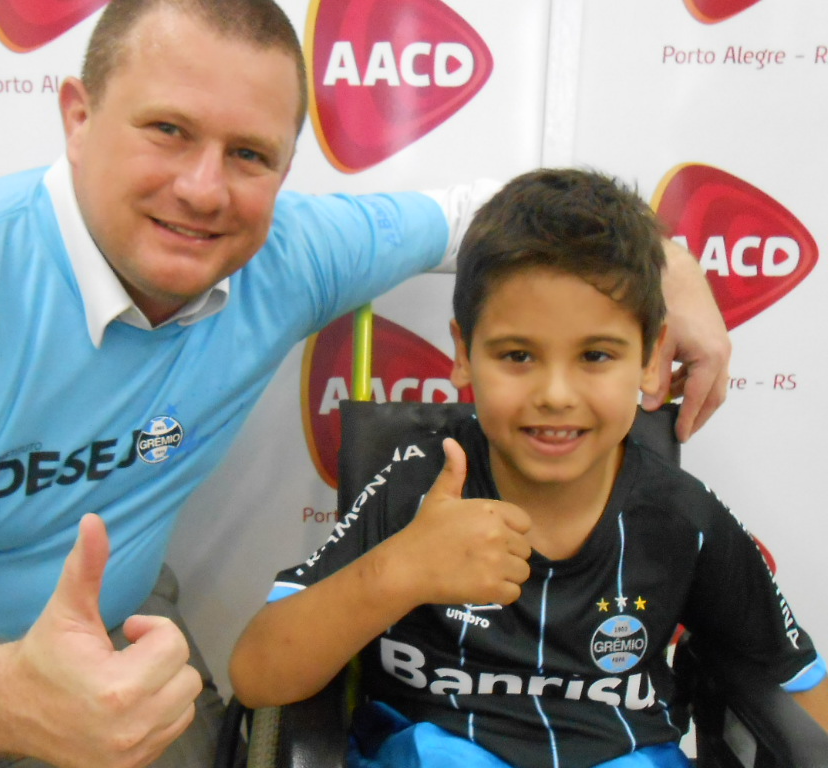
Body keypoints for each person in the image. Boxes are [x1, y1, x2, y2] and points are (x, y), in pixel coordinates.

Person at [0, 0, 730, 762]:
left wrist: (665, 262)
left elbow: (481, 219)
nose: (205, 190)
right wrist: (9, 694)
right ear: (77, 118)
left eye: (249, 155)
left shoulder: (280, 254)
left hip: (127, 659)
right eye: (168, 131)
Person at [229, 168, 828, 768]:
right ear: (464, 355)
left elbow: (798, 681)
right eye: (518, 355)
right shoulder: (414, 483)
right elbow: (258, 675)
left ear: (650, 360)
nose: (556, 394)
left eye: (595, 355)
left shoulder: (681, 516)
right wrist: (403, 568)